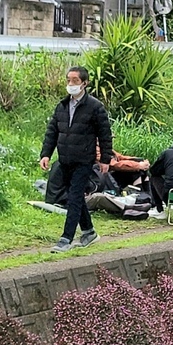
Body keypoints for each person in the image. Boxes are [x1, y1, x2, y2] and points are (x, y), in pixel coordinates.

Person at [39, 66, 112, 253]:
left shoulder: (95, 107)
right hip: (65, 159)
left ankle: (66, 238)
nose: (70, 84)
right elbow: (52, 132)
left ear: (84, 83)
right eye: (68, 80)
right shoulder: (62, 106)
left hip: (84, 160)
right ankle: (89, 231)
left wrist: (105, 159)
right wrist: (46, 154)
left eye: (75, 81)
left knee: (73, 197)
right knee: (76, 196)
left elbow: (105, 134)